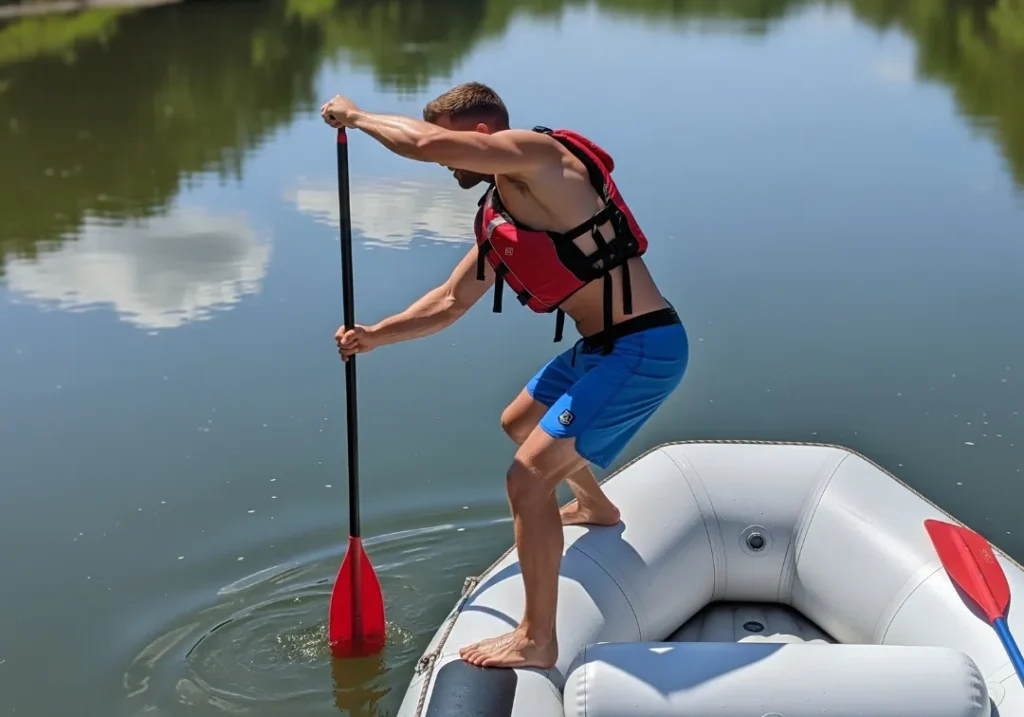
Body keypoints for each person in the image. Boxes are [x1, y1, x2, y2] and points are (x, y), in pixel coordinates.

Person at [320, 82, 688, 670]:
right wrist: (372, 337)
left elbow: (419, 143)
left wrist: (357, 118)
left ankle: (537, 639)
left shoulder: (539, 158)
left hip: (644, 347)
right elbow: (446, 302)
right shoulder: (502, 212)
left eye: (451, 148)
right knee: (519, 421)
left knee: (527, 481)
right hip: (601, 347)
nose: (444, 162)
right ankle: (596, 508)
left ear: (482, 135)